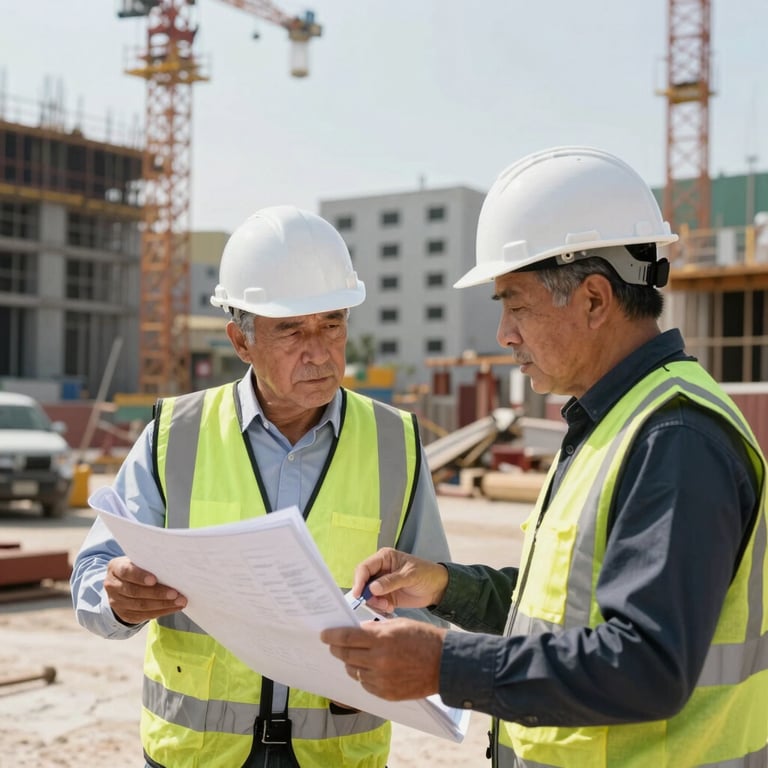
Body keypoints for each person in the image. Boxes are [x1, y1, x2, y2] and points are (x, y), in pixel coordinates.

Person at [321, 147, 768, 767]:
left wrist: (443, 665)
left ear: (592, 300)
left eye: (516, 304)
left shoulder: (675, 438)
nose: (504, 334)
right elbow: (565, 611)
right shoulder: (615, 420)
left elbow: (647, 666)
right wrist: (445, 585)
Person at [71, 205, 451, 768]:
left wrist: (391, 627)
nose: (319, 351)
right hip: (196, 754)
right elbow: (92, 576)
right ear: (241, 341)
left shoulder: (395, 442)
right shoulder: (176, 435)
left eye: (332, 324)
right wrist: (119, 598)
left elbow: (433, 601)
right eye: (291, 330)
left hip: (338, 754)